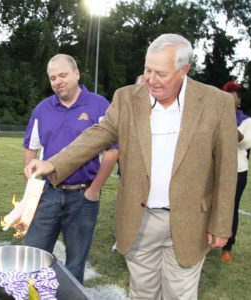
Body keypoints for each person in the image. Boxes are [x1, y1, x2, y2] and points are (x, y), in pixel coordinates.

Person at [24, 34, 237, 299]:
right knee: (142, 293)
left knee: (179, 294)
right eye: (147, 70)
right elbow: (97, 135)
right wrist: (52, 163)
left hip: (190, 220)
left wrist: (221, 224)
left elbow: (227, 169)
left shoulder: (217, 103)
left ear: (184, 70)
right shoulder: (126, 98)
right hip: (139, 219)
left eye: (161, 73)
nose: (151, 79)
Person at [23, 54, 118, 284]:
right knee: (33, 256)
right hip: (48, 194)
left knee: (75, 263)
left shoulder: (98, 105)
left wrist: (94, 190)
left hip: (82, 196)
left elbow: (112, 150)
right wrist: (30, 192)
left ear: (76, 74)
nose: (58, 81)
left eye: (63, 75)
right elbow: (30, 148)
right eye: (53, 77)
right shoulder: (42, 108)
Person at [220, 81, 251, 263]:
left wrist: (227, 122)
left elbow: (246, 143)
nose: (227, 101)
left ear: (238, 101)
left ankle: (227, 247)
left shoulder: (247, 121)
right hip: (216, 169)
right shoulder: (215, 117)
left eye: (231, 98)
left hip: (237, 170)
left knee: (231, 208)